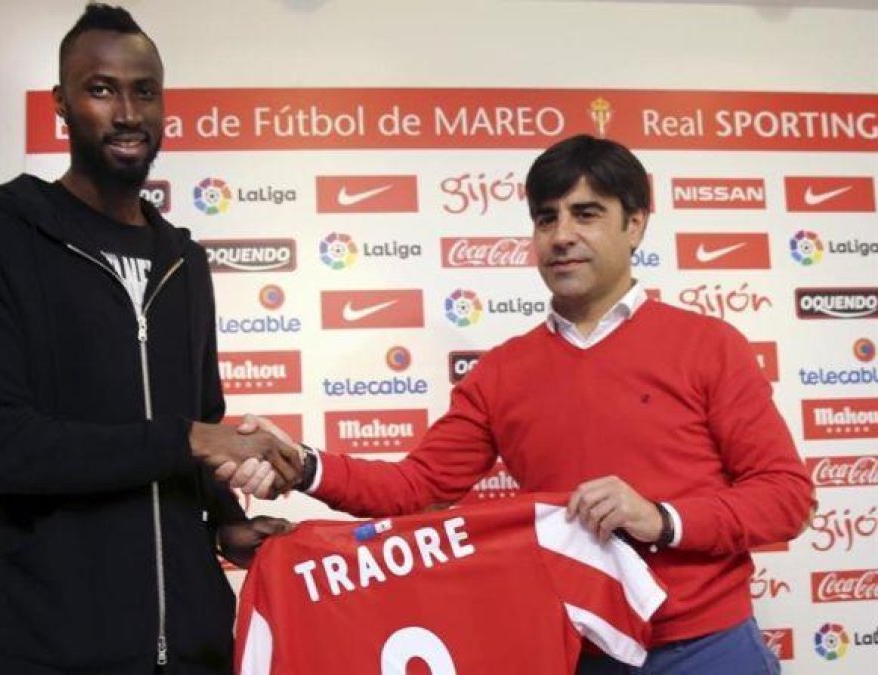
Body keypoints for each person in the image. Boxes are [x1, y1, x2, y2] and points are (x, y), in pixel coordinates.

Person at [235, 135, 814, 674]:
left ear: (635, 225)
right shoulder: (502, 371)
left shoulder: (709, 345)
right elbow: (419, 486)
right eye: (546, 218)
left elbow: (785, 497)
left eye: (586, 214)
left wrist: (661, 518)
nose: (561, 234)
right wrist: (304, 464)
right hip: (574, 646)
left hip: (705, 648)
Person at [0, 5, 300, 673]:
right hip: (56, 649)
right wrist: (187, 437)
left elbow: (203, 414)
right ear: (61, 105)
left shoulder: (183, 261)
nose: (127, 111)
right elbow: (0, 449)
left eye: (144, 89)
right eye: (100, 88)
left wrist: (224, 516)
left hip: (196, 646)